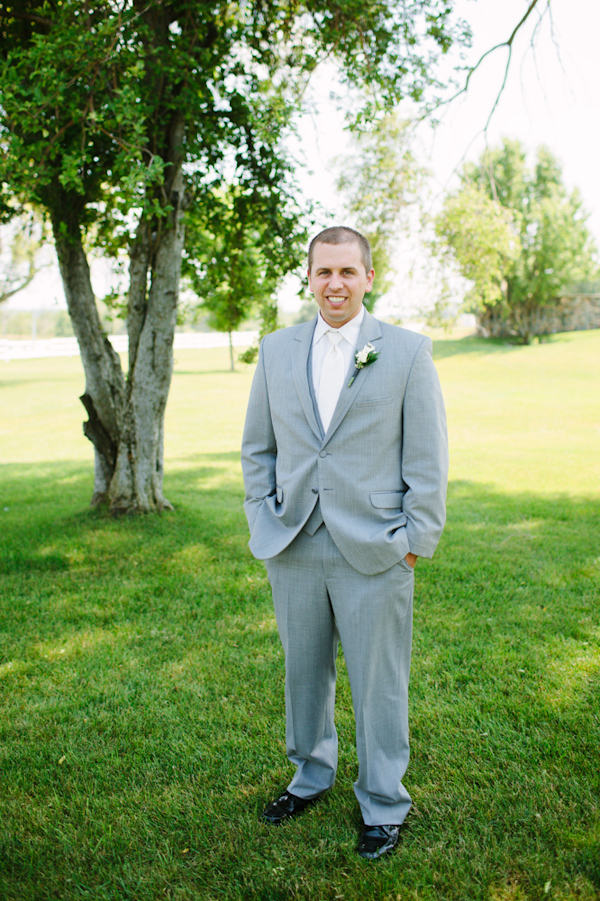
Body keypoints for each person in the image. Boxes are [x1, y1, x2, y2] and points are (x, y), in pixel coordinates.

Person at [241, 226, 448, 860]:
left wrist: (414, 541)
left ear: (368, 277)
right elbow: (258, 448)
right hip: (294, 541)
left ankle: (383, 803)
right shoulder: (276, 351)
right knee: (303, 674)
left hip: (377, 545)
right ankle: (310, 777)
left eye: (347, 273)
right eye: (324, 272)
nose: (336, 284)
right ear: (309, 277)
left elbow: (428, 457)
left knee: (379, 681)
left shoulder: (407, 352)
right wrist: (262, 519)